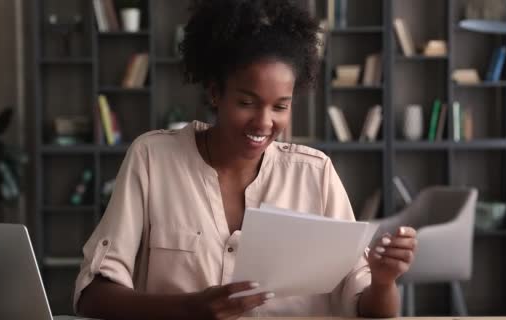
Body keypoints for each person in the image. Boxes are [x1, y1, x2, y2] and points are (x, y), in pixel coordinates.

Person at [75, 0, 417, 319]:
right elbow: (93, 295)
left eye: (280, 106)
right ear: (215, 92)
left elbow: (371, 311)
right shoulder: (153, 158)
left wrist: (384, 281)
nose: (264, 122)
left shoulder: (315, 174)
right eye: (247, 102)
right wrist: (190, 308)